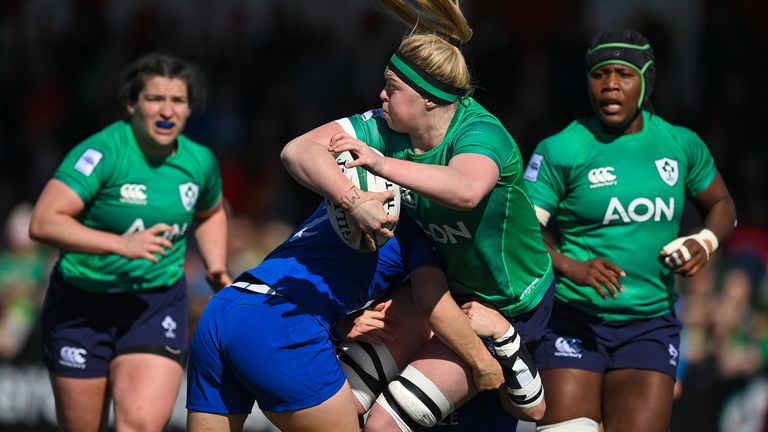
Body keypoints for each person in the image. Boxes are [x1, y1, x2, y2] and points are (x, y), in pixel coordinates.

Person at [281, 0, 553, 429]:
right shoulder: (388, 127)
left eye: (392, 87)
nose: (381, 95)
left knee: (386, 425)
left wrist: (380, 164)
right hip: (437, 292)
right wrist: (352, 199)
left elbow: (466, 190)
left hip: (507, 302)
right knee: (339, 405)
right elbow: (297, 150)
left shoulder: (481, 133)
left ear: (428, 97)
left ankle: (507, 342)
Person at [520, 29, 737, 432]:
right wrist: (570, 267)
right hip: (573, 320)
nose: (611, 85)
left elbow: (722, 206)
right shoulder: (561, 148)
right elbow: (523, 232)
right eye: (601, 74)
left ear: (646, 80)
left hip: (650, 326)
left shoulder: (680, 144)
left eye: (624, 74)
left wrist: (703, 241)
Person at [29, 52, 231, 431]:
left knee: (139, 424)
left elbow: (211, 211)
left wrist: (216, 266)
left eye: (178, 100)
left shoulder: (199, 161)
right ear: (131, 104)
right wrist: (122, 244)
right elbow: (44, 221)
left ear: (190, 109)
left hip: (154, 303)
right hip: (81, 304)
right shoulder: (102, 152)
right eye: (155, 98)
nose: (167, 110)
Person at [185, 204, 505, 432]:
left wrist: (338, 324)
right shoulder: (420, 223)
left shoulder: (333, 208)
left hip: (226, 305)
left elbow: (309, 270)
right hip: (280, 324)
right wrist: (484, 363)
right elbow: (433, 302)